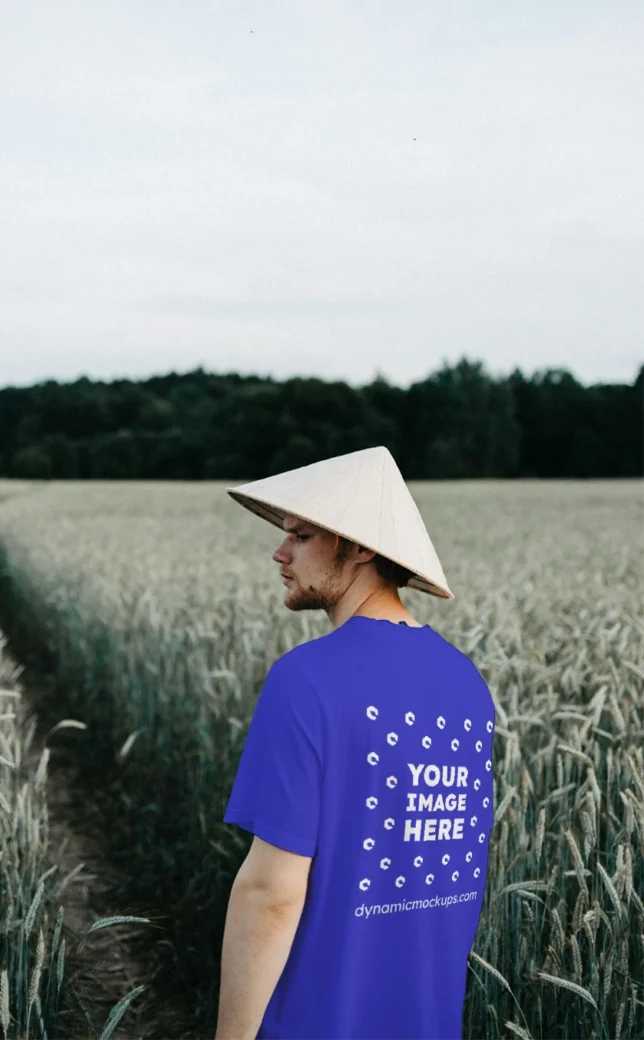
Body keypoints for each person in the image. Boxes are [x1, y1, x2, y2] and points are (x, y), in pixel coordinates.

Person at [217, 446, 495, 1040]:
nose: (279, 551)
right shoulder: (468, 684)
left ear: (362, 546)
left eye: (300, 535)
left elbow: (271, 893)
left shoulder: (305, 679)